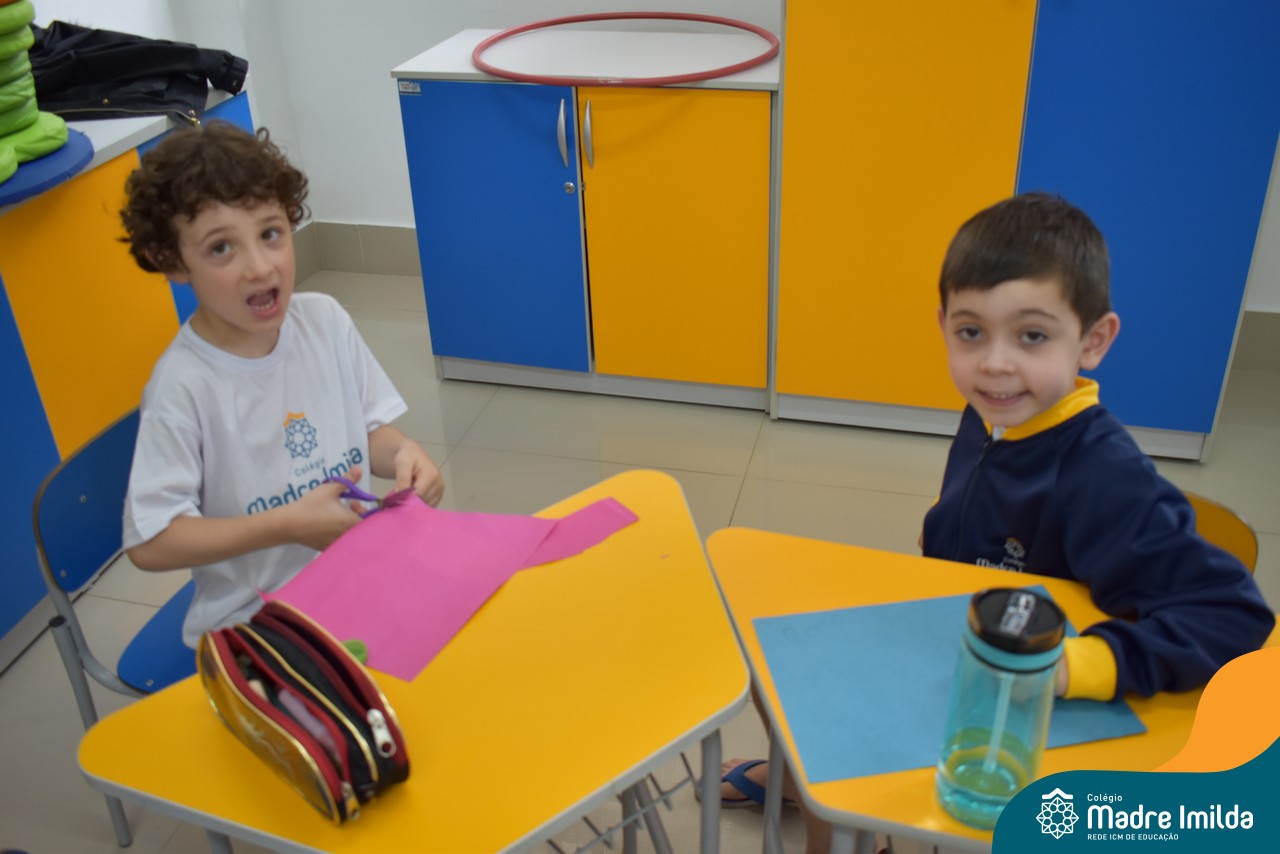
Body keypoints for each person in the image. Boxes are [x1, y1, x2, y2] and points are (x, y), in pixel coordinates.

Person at [722, 191, 1274, 851]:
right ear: (944, 325)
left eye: (1032, 336)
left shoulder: (1104, 474)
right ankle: (808, 785)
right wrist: (946, 531)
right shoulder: (995, 413)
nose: (994, 362)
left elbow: (1234, 619)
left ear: (1093, 341)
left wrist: (1075, 666)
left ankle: (832, 812)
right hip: (962, 640)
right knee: (780, 672)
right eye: (971, 332)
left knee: (823, 742)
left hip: (1035, 711)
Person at [119, 120, 445, 648]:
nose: (259, 267)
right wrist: (287, 525)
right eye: (221, 248)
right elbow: (151, 541)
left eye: (270, 234)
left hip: (357, 579)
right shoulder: (184, 385)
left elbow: (371, 432)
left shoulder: (324, 321)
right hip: (258, 624)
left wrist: (407, 454)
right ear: (173, 263)